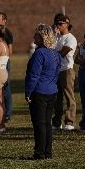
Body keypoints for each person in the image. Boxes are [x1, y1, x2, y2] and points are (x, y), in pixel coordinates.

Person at [25, 24, 61, 159]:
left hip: (39, 92)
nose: (34, 36)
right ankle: (47, 152)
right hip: (52, 91)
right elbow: (57, 72)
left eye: (36, 34)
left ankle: (39, 153)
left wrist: (28, 92)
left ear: (41, 37)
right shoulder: (56, 53)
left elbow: (34, 75)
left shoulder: (39, 53)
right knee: (47, 123)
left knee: (39, 123)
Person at [51, 14, 78, 131]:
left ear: (67, 24)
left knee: (69, 96)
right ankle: (56, 122)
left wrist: (52, 53)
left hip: (66, 69)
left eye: (60, 24)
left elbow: (62, 52)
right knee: (57, 98)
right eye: (56, 24)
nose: (57, 26)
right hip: (56, 70)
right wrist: (53, 36)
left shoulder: (70, 38)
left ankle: (70, 121)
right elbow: (48, 49)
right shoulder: (56, 37)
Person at [0, 12, 15, 123]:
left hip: (3, 62)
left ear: (4, 20)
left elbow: (10, 51)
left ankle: (7, 113)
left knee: (5, 89)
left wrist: (3, 58)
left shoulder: (7, 33)